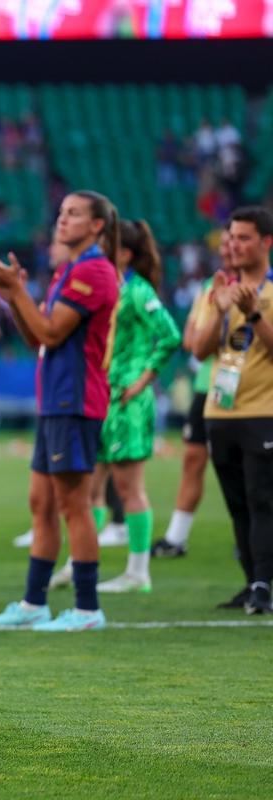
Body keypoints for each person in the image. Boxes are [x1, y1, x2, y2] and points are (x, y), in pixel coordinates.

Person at [0, 190, 121, 631]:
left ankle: (86, 607)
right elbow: (37, 339)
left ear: (98, 225)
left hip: (75, 400)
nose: (63, 219)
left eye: (74, 213)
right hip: (55, 399)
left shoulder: (94, 271)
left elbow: (52, 332)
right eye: (61, 212)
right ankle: (34, 602)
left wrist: (17, 291)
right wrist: (11, 297)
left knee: (73, 504)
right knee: (41, 502)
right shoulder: (69, 270)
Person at [89, 219, 179, 594]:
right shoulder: (112, 288)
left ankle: (138, 571)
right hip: (101, 396)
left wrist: (142, 382)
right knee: (89, 488)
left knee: (128, 488)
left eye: (104, 245)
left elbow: (170, 335)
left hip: (128, 401)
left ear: (124, 253)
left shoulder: (140, 292)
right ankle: (81, 565)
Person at [190, 206, 273, 614]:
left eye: (244, 238)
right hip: (220, 412)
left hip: (264, 410)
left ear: (266, 242)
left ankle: (263, 584)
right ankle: (250, 583)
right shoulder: (218, 289)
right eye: (232, 237)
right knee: (237, 503)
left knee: (263, 500)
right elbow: (199, 350)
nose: (234, 245)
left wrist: (255, 313)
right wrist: (222, 308)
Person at [152, 230, 235, 558]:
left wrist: (211, 337)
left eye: (238, 242)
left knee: (247, 468)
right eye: (226, 244)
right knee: (193, 459)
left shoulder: (265, 289)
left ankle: (253, 537)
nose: (229, 250)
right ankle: (176, 537)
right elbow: (191, 341)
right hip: (209, 386)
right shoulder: (207, 289)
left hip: (250, 390)